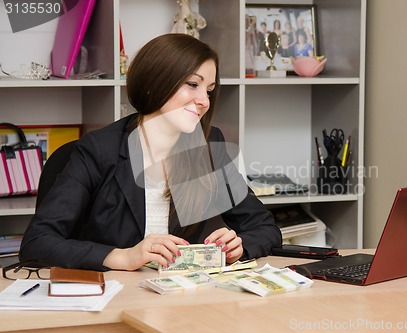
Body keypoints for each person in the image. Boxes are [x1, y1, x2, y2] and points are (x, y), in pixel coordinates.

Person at [19, 33, 282, 271]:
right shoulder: (99, 149)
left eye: (210, 90)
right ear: (155, 83)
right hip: (115, 294)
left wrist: (240, 245)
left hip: (179, 296)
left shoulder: (208, 144)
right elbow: (38, 242)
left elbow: (265, 228)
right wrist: (123, 257)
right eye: (193, 84)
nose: (204, 101)